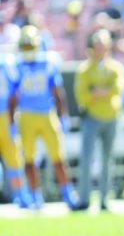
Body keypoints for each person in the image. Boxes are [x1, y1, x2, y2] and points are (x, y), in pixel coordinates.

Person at [9, 25, 84, 210]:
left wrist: (63, 115)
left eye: (30, 46)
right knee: (29, 159)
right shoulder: (17, 66)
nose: (27, 50)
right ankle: (35, 196)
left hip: (47, 114)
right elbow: (13, 96)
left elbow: (57, 92)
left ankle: (68, 194)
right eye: (24, 46)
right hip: (26, 115)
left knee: (58, 157)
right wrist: (12, 121)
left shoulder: (48, 62)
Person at [74, 28, 124, 210]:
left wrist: (97, 91)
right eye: (97, 46)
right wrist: (101, 92)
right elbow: (83, 95)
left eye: (103, 46)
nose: (100, 50)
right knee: (86, 159)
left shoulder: (115, 68)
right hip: (91, 117)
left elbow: (118, 89)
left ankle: (105, 199)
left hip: (111, 117)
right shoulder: (84, 69)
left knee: (107, 159)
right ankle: (84, 199)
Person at [0, 51, 28, 207]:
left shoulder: (5, 64)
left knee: (14, 160)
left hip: (4, 116)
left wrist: (12, 120)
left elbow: (14, 92)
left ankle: (21, 195)